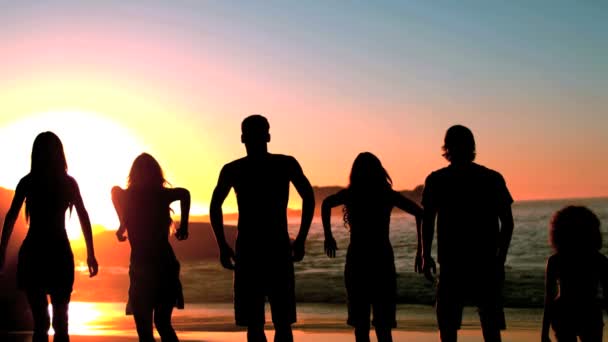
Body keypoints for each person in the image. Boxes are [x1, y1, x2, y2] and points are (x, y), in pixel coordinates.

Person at [210, 114, 315, 342]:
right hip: (275, 246)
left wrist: (222, 245)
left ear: (242, 138)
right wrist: (301, 239)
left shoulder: (234, 169)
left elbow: (214, 205)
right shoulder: (284, 164)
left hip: (249, 248)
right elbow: (309, 196)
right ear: (268, 135)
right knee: (282, 323)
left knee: (255, 325)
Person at [0, 131, 98, 342]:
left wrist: (91, 253)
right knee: (53, 324)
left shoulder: (35, 182)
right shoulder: (54, 182)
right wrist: (90, 253)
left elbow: (83, 216)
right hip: (50, 254)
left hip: (44, 254)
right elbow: (10, 218)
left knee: (47, 325)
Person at [421, 125, 514, 342]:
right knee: (490, 327)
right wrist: (500, 259)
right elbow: (508, 223)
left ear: (447, 148)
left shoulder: (437, 180)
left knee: (448, 326)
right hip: (486, 261)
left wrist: (426, 255)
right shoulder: (491, 178)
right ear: (472, 147)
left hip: (453, 263)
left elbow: (428, 222)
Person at [322, 152, 423, 342]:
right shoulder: (386, 194)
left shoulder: (352, 194)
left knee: (361, 327)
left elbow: (326, 204)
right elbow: (420, 213)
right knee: (383, 327)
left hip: (358, 259)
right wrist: (421, 250)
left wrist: (329, 237)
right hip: (381, 258)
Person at [111, 153, 190, 342]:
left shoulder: (135, 196)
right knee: (158, 325)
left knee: (150, 328)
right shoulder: (159, 194)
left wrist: (123, 222)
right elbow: (184, 193)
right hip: (157, 265)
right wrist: (123, 222)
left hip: (152, 266)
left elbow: (115, 192)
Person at [541, 206, 608, 342]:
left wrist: (544, 332)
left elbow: (549, 298)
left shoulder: (556, 260)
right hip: (590, 312)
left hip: (563, 312)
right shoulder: (599, 259)